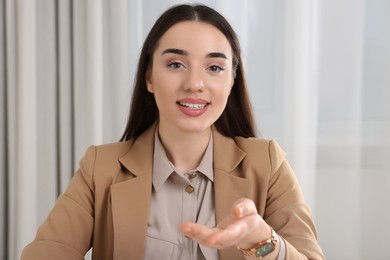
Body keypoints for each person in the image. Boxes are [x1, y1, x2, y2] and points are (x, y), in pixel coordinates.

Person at [21, 4, 324, 260]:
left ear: (232, 81)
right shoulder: (100, 168)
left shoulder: (267, 163)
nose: (194, 83)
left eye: (214, 68)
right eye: (176, 64)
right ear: (149, 77)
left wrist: (261, 240)